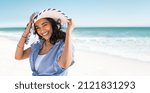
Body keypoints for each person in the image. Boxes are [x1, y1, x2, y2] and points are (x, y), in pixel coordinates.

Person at [15, 8, 75, 76]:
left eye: (45, 25)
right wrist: (26, 32)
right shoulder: (38, 45)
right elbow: (18, 56)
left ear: (52, 24)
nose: (42, 30)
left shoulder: (63, 44)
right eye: (37, 28)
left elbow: (64, 64)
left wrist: (68, 32)